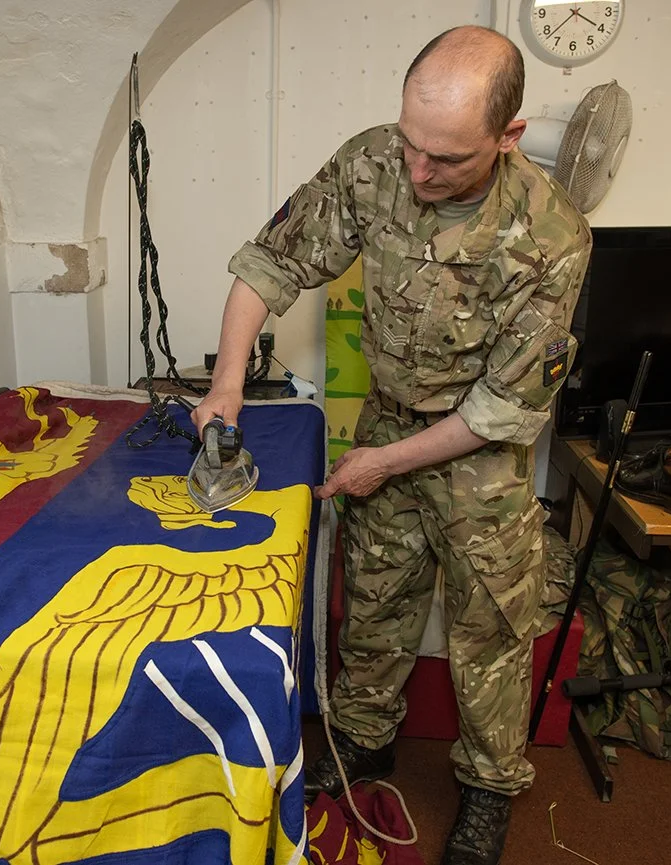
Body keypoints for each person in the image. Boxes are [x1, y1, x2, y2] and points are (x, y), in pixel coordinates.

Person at [191, 26, 591, 865]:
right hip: (389, 415)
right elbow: (271, 261)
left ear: (508, 137)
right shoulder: (374, 162)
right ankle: (365, 742)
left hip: (480, 450)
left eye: (445, 160)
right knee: (373, 596)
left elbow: (502, 408)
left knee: (490, 625)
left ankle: (489, 785)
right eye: (411, 143)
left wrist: (382, 462)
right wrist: (226, 382)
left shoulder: (552, 236)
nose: (417, 173)